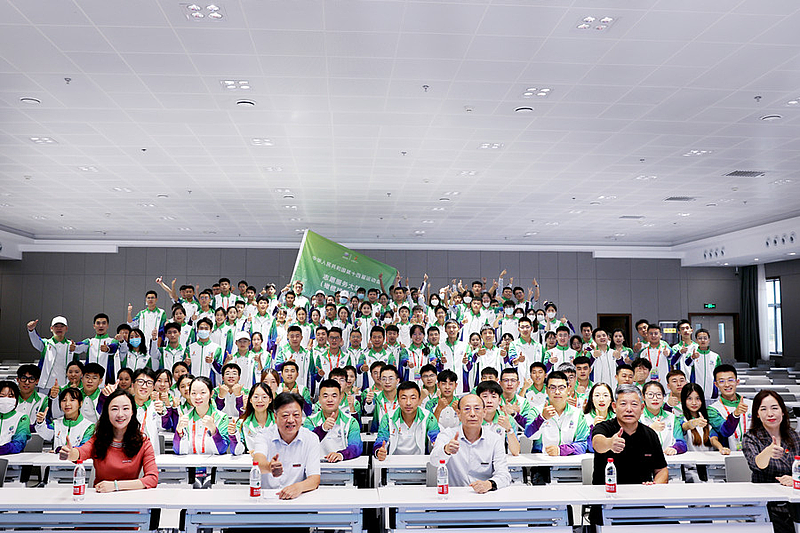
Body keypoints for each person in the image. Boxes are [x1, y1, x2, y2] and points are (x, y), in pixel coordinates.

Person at [59, 388, 158, 491]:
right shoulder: (98, 439)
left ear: (132, 412)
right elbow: (81, 452)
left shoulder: (143, 442)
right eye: (114, 409)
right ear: (107, 412)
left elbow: (152, 478)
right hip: (100, 496)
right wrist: (70, 454)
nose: (120, 414)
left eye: (125, 408)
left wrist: (115, 486)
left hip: (130, 497)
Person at [742, 390, 800, 533]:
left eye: (774, 408)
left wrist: (795, 479)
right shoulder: (751, 437)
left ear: (783, 411)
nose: (770, 414)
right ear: (757, 414)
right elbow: (756, 464)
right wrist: (768, 452)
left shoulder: (795, 436)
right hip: (766, 505)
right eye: (763, 409)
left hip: (795, 502)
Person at [429, 394, 511, 492]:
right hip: (455, 496)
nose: (472, 414)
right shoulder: (447, 435)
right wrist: (446, 450)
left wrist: (489, 484)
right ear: (458, 413)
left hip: (484, 495)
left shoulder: (494, 439)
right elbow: (434, 461)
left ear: (484, 412)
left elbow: (504, 475)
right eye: (467, 409)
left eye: (477, 409)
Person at [591, 384, 668, 485]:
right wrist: (610, 443)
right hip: (606, 492)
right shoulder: (603, 427)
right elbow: (597, 443)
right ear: (614, 407)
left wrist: (655, 485)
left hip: (642, 492)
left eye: (634, 404)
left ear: (642, 408)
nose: (629, 409)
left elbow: (661, 470)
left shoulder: (650, 434)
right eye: (623, 404)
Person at [252, 392, 321, 500]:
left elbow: (314, 479)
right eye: (285, 415)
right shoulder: (263, 436)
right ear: (275, 417)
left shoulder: (311, 439)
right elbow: (258, 462)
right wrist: (269, 467)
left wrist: (298, 487)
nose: (291, 420)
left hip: (298, 499)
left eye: (296, 415)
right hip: (267, 499)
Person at [523, 371, 589, 456]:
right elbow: (528, 435)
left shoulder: (577, 413)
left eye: (561, 388)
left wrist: (561, 450)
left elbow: (583, 444)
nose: (557, 392)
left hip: (570, 461)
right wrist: (542, 418)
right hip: (543, 461)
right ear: (546, 390)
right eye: (553, 388)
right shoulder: (536, 411)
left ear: (568, 389)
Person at [375, 381, 439, 460]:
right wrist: (379, 451)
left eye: (413, 398)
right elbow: (381, 439)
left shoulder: (428, 417)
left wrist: (439, 445)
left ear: (419, 399)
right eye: (404, 398)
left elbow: (436, 438)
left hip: (420, 463)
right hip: (394, 463)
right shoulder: (388, 417)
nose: (408, 403)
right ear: (398, 400)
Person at [303, 379, 362, 462]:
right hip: (316, 466)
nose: (330, 400)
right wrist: (322, 429)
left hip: (343, 466)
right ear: (319, 400)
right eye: (325, 396)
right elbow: (306, 444)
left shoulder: (351, 421)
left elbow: (356, 446)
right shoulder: (310, 421)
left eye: (334, 396)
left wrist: (341, 455)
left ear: (340, 399)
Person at [174, 376, 230, 455]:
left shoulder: (221, 418)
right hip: (190, 462)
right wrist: (179, 431)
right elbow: (177, 451)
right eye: (193, 393)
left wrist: (213, 430)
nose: (197, 397)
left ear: (211, 394)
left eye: (203, 393)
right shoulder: (185, 418)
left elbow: (222, 449)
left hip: (215, 462)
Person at [708, 364, 751, 451]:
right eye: (722, 381)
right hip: (728, 454)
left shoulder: (752, 404)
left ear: (737, 382)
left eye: (730, 380)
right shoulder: (713, 410)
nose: (727, 385)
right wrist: (735, 415)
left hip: (754, 453)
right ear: (716, 384)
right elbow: (725, 431)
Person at [27, 316, 76, 391]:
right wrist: (31, 330)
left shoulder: (72, 345)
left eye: (62, 326)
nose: (59, 328)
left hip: (65, 386)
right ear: (51, 328)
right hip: (46, 386)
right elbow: (36, 342)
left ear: (66, 329)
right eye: (56, 326)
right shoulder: (46, 344)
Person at [640, 381, 686, 455]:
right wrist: (650, 429)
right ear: (643, 397)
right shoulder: (638, 418)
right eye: (650, 394)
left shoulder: (672, 417)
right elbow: (632, 443)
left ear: (663, 397)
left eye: (658, 394)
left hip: (670, 460)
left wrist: (675, 448)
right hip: (645, 461)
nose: (655, 398)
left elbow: (681, 443)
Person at [477, 380, 520, 455]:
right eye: (485, 396)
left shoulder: (506, 418)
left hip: (499, 459)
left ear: (499, 400)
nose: (489, 401)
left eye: (493, 397)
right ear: (478, 399)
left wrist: (508, 428)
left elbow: (515, 452)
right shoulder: (471, 418)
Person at [229, 383, 274, 455]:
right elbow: (237, 451)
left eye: (264, 397)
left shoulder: (278, 422)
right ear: (250, 400)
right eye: (256, 397)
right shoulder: (242, 422)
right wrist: (233, 435)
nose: (260, 400)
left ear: (270, 400)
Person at [680, 329, 721, 399]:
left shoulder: (715, 356)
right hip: (695, 390)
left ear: (709, 340)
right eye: (700, 338)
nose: (702, 340)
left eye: (705, 338)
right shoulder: (692, 354)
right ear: (696, 340)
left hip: (712, 390)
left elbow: (719, 373)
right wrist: (692, 357)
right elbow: (687, 363)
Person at [0, 381, 32, 454]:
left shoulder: (22, 418)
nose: (6, 399)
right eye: (2, 396)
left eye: (10, 396)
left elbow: (19, 443)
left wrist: (4, 449)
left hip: (11, 459)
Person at [583, 383, 614, 452]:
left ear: (611, 399)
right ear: (592, 399)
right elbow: (588, 447)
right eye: (597, 395)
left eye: (605, 395)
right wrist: (594, 428)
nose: (601, 399)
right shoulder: (584, 419)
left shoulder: (617, 418)